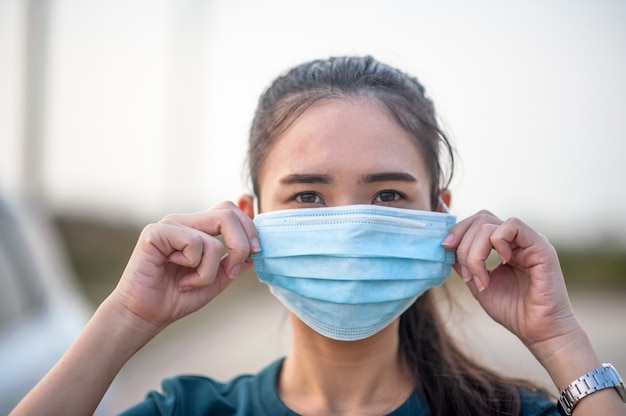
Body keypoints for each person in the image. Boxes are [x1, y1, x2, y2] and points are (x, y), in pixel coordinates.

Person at [12, 56, 626, 416]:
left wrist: (558, 336)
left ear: (441, 214)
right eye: (307, 195)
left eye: (388, 195)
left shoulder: (510, 414)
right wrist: (125, 316)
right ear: (249, 219)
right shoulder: (189, 411)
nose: (354, 227)